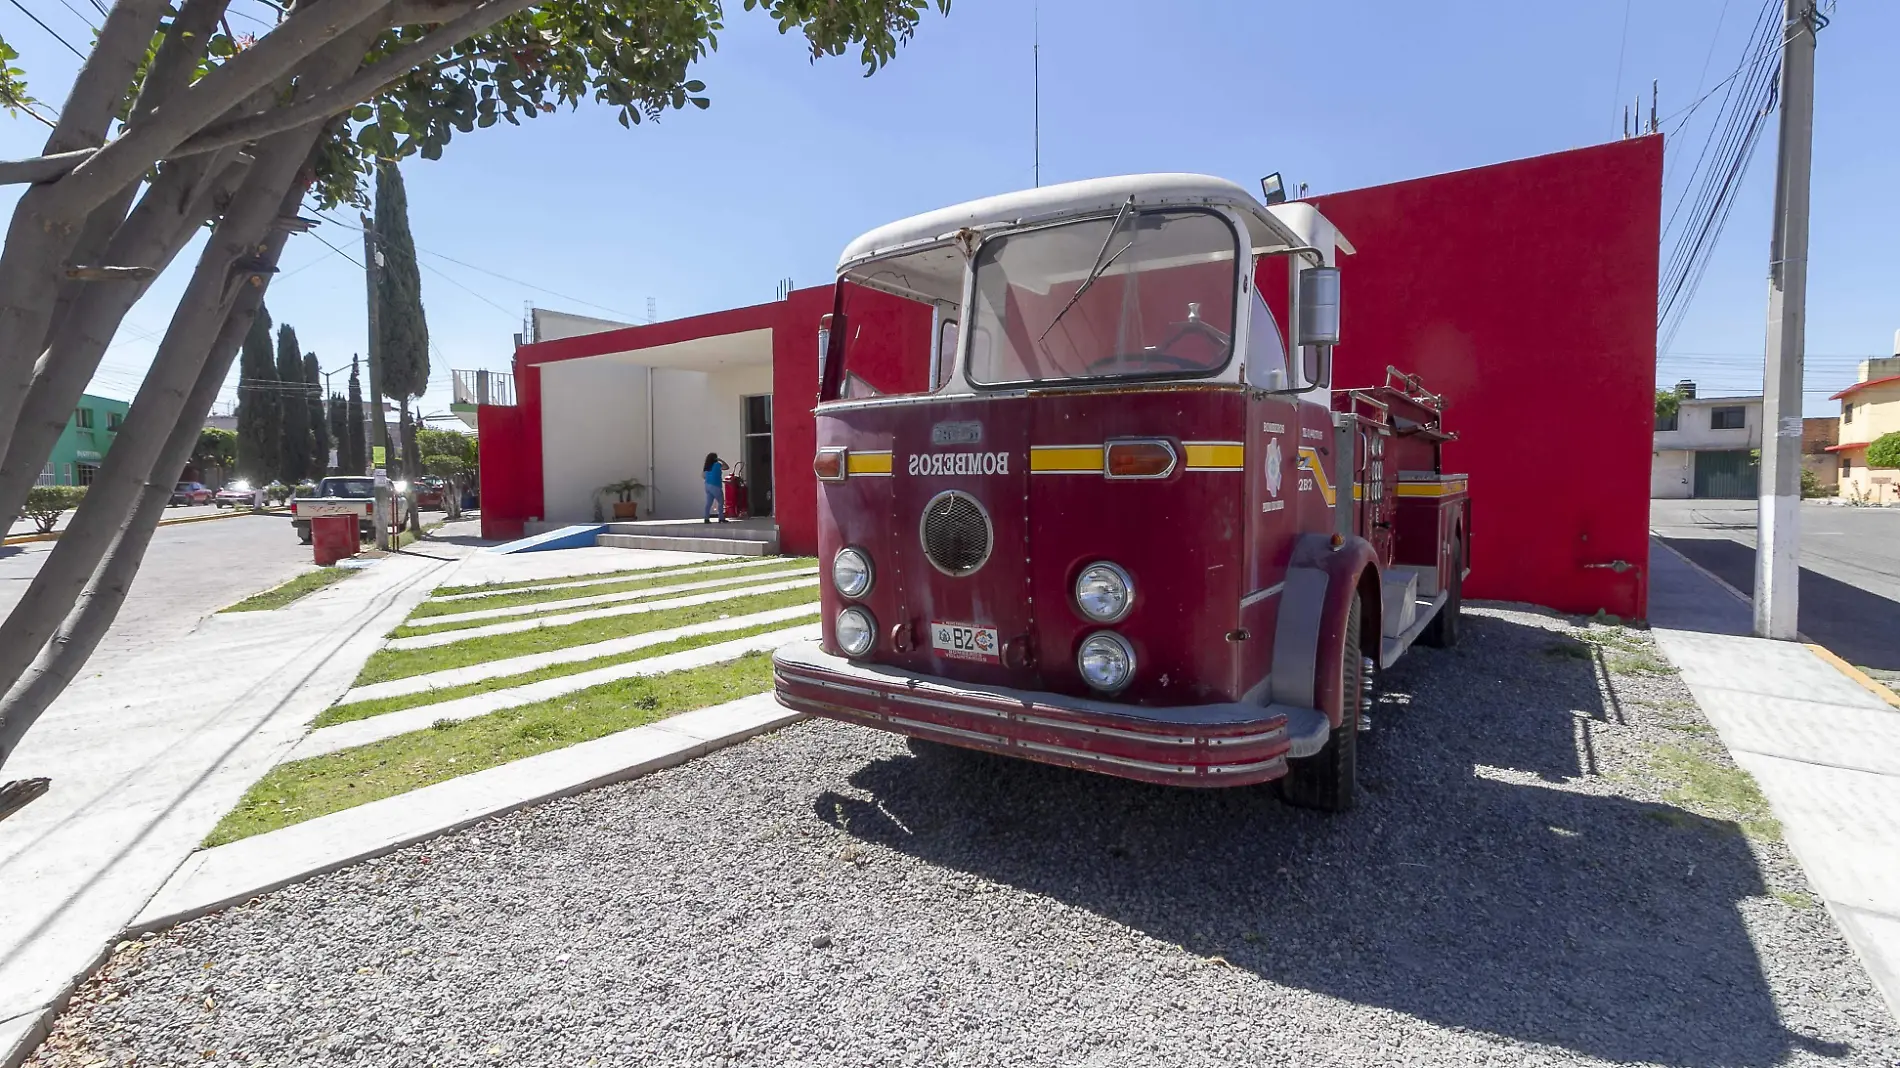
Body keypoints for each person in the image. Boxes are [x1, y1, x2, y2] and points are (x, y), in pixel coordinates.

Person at [702, 452, 728, 523]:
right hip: (716, 485)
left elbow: (703, 476)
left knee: (708, 503)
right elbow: (726, 467)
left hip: (707, 485)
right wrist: (720, 460)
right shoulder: (717, 465)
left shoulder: (706, 467)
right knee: (721, 502)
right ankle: (721, 518)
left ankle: (706, 518)